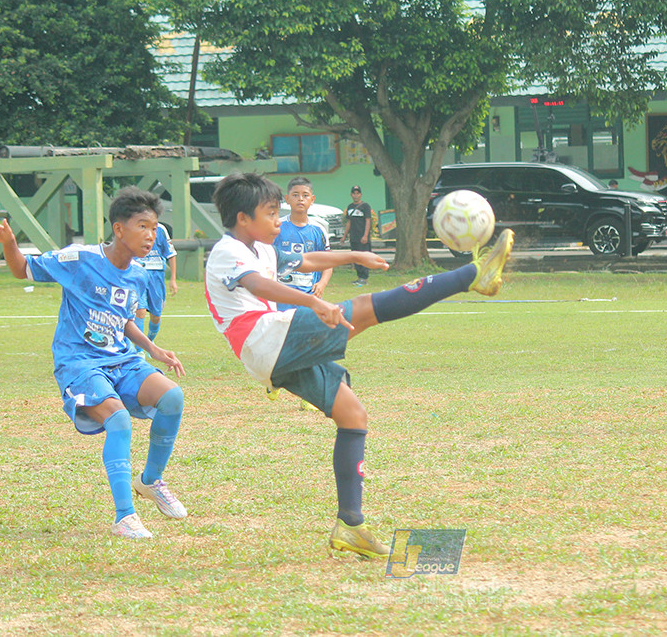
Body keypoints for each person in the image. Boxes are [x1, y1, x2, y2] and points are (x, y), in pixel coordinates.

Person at [204, 172, 514, 559]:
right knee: (366, 308)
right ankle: (471, 276)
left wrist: (353, 255)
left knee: (354, 416)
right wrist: (313, 302)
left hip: (273, 347)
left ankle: (350, 526)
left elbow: (306, 261)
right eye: (270, 214)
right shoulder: (226, 251)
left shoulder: (263, 247)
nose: (278, 221)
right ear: (242, 218)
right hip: (265, 339)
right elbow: (257, 286)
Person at [0, 187, 189, 539]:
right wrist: (9, 242)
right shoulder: (79, 259)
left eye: (155, 228)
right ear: (119, 229)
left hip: (121, 359)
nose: (151, 236)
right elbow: (22, 269)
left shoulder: (138, 275)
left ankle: (151, 481)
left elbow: (122, 319)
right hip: (79, 362)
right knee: (119, 420)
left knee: (172, 397)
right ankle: (124, 516)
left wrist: (153, 349)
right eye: (143, 226)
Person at [276, 176, 332, 305]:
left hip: (310, 295)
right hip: (281, 295)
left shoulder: (318, 230)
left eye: (305, 195)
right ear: (287, 199)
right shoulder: (277, 227)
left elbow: (327, 262)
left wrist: (322, 284)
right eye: (295, 195)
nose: (300, 199)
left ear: (312, 199)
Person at [134, 222, 177, 343]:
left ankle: (150, 341)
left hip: (156, 275)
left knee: (156, 315)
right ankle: (139, 349)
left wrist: (173, 279)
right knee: (140, 311)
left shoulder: (161, 229)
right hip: (138, 274)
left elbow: (171, 254)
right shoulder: (132, 226)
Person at [342, 185, 372, 286]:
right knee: (355, 258)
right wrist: (345, 235)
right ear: (351, 195)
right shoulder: (350, 207)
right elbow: (349, 222)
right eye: (354, 193)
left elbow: (368, 221)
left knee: (363, 257)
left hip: (362, 237)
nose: (356, 195)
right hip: (353, 237)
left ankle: (364, 278)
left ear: (360, 194)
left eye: (357, 193)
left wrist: (365, 236)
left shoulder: (365, 206)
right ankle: (359, 277)